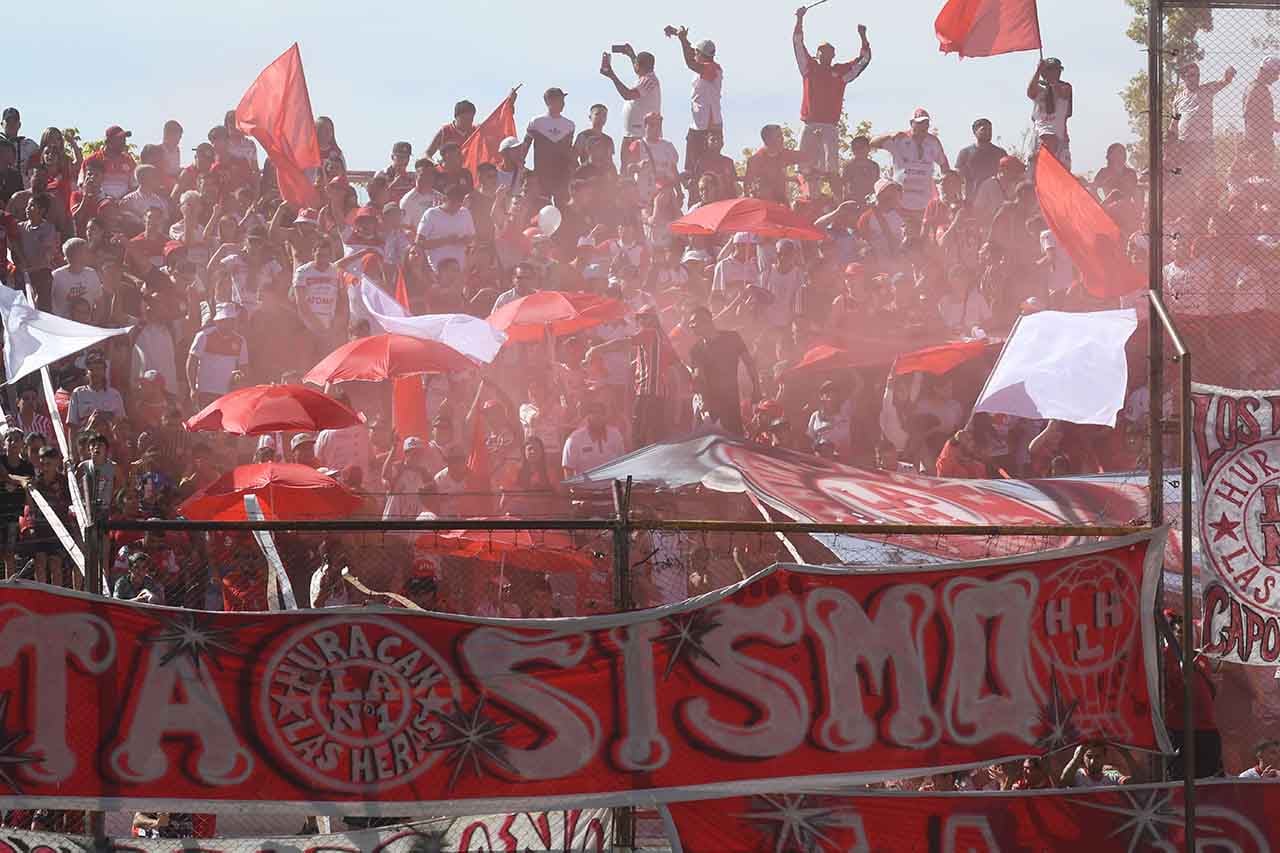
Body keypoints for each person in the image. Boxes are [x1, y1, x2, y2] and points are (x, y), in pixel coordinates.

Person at [793, 5, 872, 185]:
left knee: (832, 170)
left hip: (830, 126)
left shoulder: (840, 73)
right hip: (809, 124)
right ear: (817, 53)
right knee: (805, 168)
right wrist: (799, 19)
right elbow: (798, 44)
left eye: (829, 52)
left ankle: (834, 199)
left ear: (834, 54)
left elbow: (864, 60)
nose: (826, 54)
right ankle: (808, 199)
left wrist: (863, 37)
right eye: (822, 51)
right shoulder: (808, 68)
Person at [870, 109, 950, 230]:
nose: (923, 126)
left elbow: (944, 165)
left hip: (925, 200)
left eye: (925, 123)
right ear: (911, 123)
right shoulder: (899, 138)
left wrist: (946, 188)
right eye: (919, 123)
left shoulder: (933, 141)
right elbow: (872, 143)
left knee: (924, 237)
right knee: (902, 235)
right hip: (900, 201)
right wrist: (890, 135)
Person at [687, 304, 757, 435]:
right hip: (711, 406)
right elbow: (698, 378)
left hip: (732, 402)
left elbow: (749, 363)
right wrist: (703, 403)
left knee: (735, 439)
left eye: (693, 322)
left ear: (706, 321)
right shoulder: (696, 350)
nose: (690, 326)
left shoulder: (733, 338)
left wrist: (757, 388)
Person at [666, 26, 723, 187]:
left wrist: (682, 40)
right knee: (691, 172)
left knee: (706, 170)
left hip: (708, 127)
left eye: (696, 52)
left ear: (702, 55)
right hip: (698, 125)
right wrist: (682, 38)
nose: (694, 54)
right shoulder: (705, 67)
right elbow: (692, 55)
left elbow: (690, 62)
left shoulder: (713, 69)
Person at [600, 45, 661, 170]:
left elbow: (627, 95)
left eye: (636, 64)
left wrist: (612, 75)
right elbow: (638, 66)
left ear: (640, 66)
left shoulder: (648, 80)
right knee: (626, 170)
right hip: (632, 134)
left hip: (640, 136)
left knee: (634, 171)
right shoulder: (645, 77)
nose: (635, 67)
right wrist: (631, 54)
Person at [187, 303, 249, 407]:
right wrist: (192, 388)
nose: (229, 324)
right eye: (225, 321)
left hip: (228, 395)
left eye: (231, 320)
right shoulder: (203, 336)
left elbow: (244, 368)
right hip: (205, 392)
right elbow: (191, 363)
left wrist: (239, 383)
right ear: (217, 321)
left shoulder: (240, 341)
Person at [524, 88, 576, 206]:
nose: (562, 103)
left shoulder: (569, 125)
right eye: (559, 100)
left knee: (562, 207)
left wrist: (574, 167)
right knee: (541, 205)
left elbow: (569, 149)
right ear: (548, 101)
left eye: (563, 100)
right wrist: (521, 166)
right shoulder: (536, 122)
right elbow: (525, 145)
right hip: (542, 174)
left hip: (562, 175)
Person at [416, 184, 475, 274]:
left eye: (459, 205)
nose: (456, 208)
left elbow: (472, 237)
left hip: (459, 269)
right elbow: (419, 243)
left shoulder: (465, 213)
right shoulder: (431, 214)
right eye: (453, 203)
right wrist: (446, 240)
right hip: (436, 270)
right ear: (445, 199)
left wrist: (464, 240)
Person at [561, 399, 626, 480]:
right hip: (585, 491)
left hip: (611, 489)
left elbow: (622, 463)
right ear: (587, 416)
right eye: (593, 412)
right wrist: (572, 490)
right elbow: (568, 468)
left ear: (606, 416)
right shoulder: (574, 439)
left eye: (601, 412)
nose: (597, 416)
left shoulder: (616, 435)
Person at [1027, 58, 1073, 168]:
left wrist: (1051, 82)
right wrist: (1038, 71)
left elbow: (1063, 94)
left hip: (1059, 136)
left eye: (1056, 70)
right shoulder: (1039, 88)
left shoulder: (1065, 87)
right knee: (1035, 167)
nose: (1054, 73)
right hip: (1039, 136)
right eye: (1050, 70)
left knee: (1061, 169)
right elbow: (1030, 92)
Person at [50, 237, 104, 320]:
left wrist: (94, 322)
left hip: (86, 325)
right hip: (63, 325)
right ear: (77, 255)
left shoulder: (92, 274)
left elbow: (100, 302)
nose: (90, 254)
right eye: (86, 251)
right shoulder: (56, 276)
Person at [954, 118, 1007, 200]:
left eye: (990, 129)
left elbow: (1009, 176)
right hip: (973, 199)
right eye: (984, 129)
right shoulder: (965, 153)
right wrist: (959, 198)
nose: (988, 132)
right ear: (975, 132)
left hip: (996, 201)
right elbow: (957, 179)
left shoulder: (1000, 153)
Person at [81, 125, 138, 199]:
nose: (124, 142)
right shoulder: (92, 160)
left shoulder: (129, 160)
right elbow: (83, 185)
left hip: (125, 203)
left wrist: (124, 200)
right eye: (120, 139)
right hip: (100, 203)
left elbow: (135, 186)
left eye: (124, 139)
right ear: (109, 141)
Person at [1243, 58, 1280, 170]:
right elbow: (1250, 114)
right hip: (1258, 141)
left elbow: (1262, 116)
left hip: (1258, 138)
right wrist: (1271, 125)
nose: (1277, 77)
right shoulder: (1257, 89)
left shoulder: (1257, 88)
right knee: (1262, 176)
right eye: (1275, 73)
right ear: (1265, 71)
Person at [1060, 742, 1134, 787]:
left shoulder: (1112, 775)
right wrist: (1076, 758)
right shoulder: (1077, 775)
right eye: (1089, 757)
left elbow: (1134, 783)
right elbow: (1063, 783)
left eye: (1097, 757)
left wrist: (1126, 755)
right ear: (1082, 757)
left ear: (1104, 758)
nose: (1092, 761)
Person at [0, 108, 39, 188]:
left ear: (19, 125)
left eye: (15, 121)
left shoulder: (29, 145)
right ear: (2, 124)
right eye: (8, 121)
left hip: (23, 189)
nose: (12, 124)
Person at [310, 538, 352, 608]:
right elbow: (316, 605)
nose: (343, 556)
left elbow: (352, 600)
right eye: (339, 554)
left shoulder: (341, 574)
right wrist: (329, 585)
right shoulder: (324, 576)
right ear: (328, 557)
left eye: (343, 553)